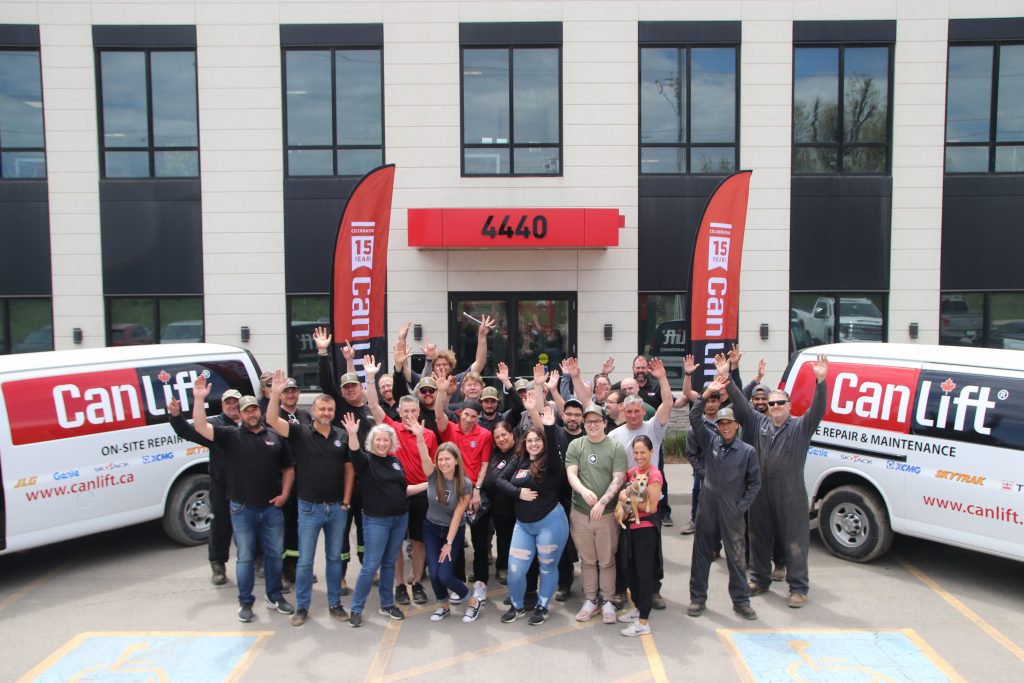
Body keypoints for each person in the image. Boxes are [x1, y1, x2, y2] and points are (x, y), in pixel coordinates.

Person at [723, 353, 830, 608]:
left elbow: (818, 408)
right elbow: (739, 400)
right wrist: (727, 378)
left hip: (790, 492)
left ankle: (798, 588)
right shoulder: (759, 423)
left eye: (781, 403)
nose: (776, 407)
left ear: (789, 406)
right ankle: (760, 579)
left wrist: (821, 382)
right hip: (760, 491)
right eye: (772, 404)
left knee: (795, 540)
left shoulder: (801, 427)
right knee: (758, 536)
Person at [186, 377, 295, 623]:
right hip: (243, 509)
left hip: (271, 509)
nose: (251, 414)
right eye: (246, 410)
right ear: (241, 414)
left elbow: (289, 468)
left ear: (260, 410)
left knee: (274, 555)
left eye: (254, 408)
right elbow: (202, 428)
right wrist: (199, 399)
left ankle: (275, 596)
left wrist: (285, 494)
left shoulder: (275, 437)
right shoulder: (230, 435)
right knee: (245, 558)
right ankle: (245, 603)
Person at [265, 370, 354, 626]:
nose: (325, 413)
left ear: (333, 412)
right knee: (304, 561)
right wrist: (274, 394)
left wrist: (346, 501)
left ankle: (335, 603)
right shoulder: (299, 433)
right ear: (313, 411)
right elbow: (271, 419)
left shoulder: (342, 436)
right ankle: (302, 607)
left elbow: (349, 470)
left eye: (330, 409)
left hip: (337, 508)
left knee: (334, 559)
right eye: (321, 409)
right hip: (309, 509)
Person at [363, 355, 438, 607]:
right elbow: (373, 405)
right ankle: (399, 585)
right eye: (405, 411)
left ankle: (416, 582)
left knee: (418, 542)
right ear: (399, 412)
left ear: (419, 412)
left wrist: (419, 438)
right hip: (394, 496)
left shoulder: (428, 434)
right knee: (395, 546)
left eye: (413, 411)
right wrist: (371, 377)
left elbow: (431, 468)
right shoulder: (391, 428)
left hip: (420, 495)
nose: (409, 415)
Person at [686, 372, 761, 622]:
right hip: (707, 505)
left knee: (736, 557)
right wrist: (706, 394)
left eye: (729, 424)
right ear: (717, 427)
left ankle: (741, 602)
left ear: (736, 426)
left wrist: (741, 507)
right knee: (701, 554)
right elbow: (694, 416)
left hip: (732, 509)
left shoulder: (747, 451)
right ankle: (698, 598)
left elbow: (755, 483)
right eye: (721, 424)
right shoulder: (710, 441)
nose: (725, 427)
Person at [496, 375, 568, 626]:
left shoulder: (551, 462)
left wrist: (548, 426)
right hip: (523, 525)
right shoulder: (519, 459)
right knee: (515, 569)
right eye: (530, 440)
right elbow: (500, 480)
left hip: (550, 521)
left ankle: (542, 605)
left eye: (538, 440)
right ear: (524, 443)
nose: (534, 443)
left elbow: (554, 445)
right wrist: (518, 493)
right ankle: (517, 606)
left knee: (548, 567)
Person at [405, 429, 483, 623]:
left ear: (456, 461)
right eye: (440, 459)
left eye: (447, 459)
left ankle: (473, 601)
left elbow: (458, 515)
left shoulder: (465, 484)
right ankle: (444, 605)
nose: (443, 463)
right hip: (431, 528)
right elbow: (424, 457)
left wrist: (448, 543)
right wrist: (420, 438)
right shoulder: (433, 475)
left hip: (452, 531)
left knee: (446, 575)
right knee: (434, 573)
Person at [340, 412, 409, 628]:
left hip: (400, 518)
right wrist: (352, 434)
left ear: (391, 443)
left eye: (385, 440)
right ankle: (356, 609)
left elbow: (403, 488)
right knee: (370, 566)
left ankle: (387, 604)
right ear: (371, 441)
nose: (381, 443)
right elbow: (353, 452)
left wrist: (430, 484)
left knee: (389, 563)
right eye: (378, 439)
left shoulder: (395, 461)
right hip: (376, 521)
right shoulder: (366, 461)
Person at [167, 387, 241, 586]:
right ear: (223, 405)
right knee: (220, 526)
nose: (233, 406)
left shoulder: (251, 423)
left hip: (246, 487)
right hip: (221, 486)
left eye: (236, 402)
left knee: (251, 526)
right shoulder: (214, 426)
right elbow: (188, 431)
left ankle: (257, 560)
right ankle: (218, 565)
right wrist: (176, 416)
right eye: (228, 402)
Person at [565, 403, 627, 625]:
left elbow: (618, 478)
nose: (592, 425)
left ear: (604, 423)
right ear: (584, 423)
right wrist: (582, 490)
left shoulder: (615, 447)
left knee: (607, 560)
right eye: (588, 421)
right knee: (588, 560)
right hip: (580, 513)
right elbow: (571, 474)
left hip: (607, 514)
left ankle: (608, 600)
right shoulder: (576, 445)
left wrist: (602, 502)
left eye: (596, 421)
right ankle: (591, 599)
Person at [434, 373, 492, 603]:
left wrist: (477, 489)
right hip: (452, 492)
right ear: (461, 414)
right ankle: (458, 584)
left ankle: (481, 584)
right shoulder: (450, 430)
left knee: (479, 542)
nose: (469, 419)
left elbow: (485, 464)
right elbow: (438, 414)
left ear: (478, 418)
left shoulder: (485, 434)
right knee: (454, 537)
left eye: (474, 416)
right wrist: (441, 391)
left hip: (475, 493)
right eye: (466, 415)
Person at [617, 435, 663, 636]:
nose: (639, 456)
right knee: (630, 571)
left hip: (645, 530)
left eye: (643, 452)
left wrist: (627, 500)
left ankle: (643, 621)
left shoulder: (654, 475)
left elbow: (651, 508)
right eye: (636, 452)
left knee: (644, 573)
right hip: (629, 528)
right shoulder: (632, 473)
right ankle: (637, 608)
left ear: (651, 452)